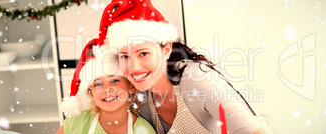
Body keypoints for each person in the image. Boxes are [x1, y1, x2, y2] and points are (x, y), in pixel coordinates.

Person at [97, 0, 272, 133]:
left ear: (166, 49)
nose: (134, 67)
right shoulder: (142, 97)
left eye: (143, 53)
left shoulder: (197, 79)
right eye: (124, 56)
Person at [55, 38, 156, 134]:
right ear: (91, 92)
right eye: (98, 84)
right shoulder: (75, 124)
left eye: (115, 80)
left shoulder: (144, 130)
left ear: (131, 87)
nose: (107, 89)